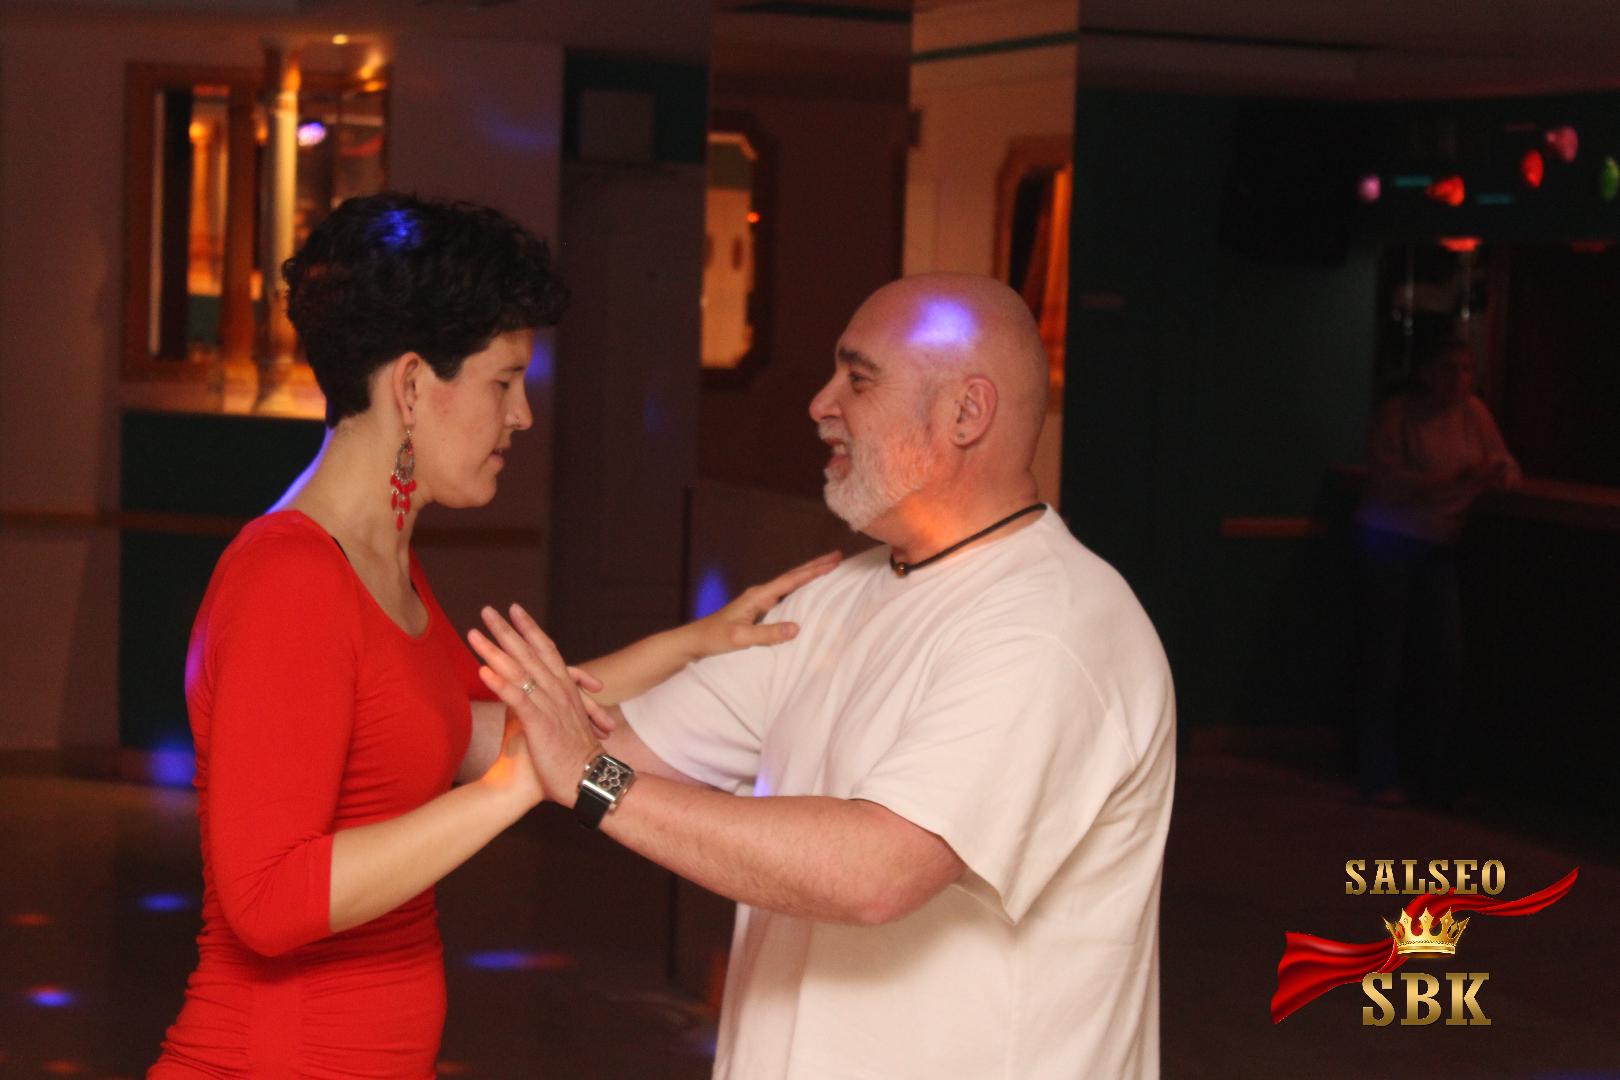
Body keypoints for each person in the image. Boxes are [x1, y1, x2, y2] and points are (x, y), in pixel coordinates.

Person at [149, 192, 835, 1078]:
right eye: (503, 382)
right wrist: (517, 788)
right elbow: (268, 900)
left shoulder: (380, 561)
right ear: (410, 386)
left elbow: (503, 729)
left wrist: (694, 644)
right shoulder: (291, 579)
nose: (522, 417)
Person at [475, 273, 1178, 1078]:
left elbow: (877, 871)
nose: (819, 403)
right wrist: (374, 711)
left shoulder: (1053, 626)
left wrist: (593, 781)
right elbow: (596, 745)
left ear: (967, 413)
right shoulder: (834, 596)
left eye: (858, 379)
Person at [1351, 335, 1520, 806]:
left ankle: (1435, 775)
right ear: (1426, 372)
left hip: (1440, 548)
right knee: (1385, 662)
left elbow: (1502, 459)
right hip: (1390, 543)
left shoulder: (1474, 414)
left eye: (1467, 370)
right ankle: (1378, 774)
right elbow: (1388, 482)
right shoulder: (1397, 415)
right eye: (1449, 369)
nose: (1460, 380)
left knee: (1446, 661)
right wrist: (1455, 479)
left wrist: (1501, 475)